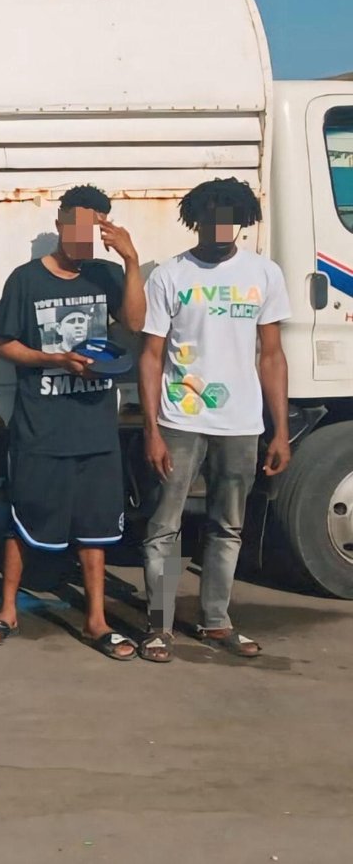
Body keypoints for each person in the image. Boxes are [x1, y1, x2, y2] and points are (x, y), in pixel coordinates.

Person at [0, 186, 145, 659]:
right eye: (77, 226)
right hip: (41, 427)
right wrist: (54, 359)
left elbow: (135, 324)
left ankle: (96, 620)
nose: (84, 236)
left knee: (95, 527)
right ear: (60, 224)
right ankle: (7, 610)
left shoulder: (108, 275)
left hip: (95, 428)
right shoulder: (26, 280)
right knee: (24, 519)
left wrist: (132, 260)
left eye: (95, 228)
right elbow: (4, 345)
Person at [137, 178, 291, 663]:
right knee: (164, 527)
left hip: (241, 424)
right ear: (197, 220)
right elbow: (151, 356)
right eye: (213, 218)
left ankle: (217, 621)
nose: (222, 227)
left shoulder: (264, 273)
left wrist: (280, 430)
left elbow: (272, 355)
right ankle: (159, 625)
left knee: (229, 527)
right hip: (179, 420)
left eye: (232, 218)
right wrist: (152, 430)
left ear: (243, 221)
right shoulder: (170, 275)